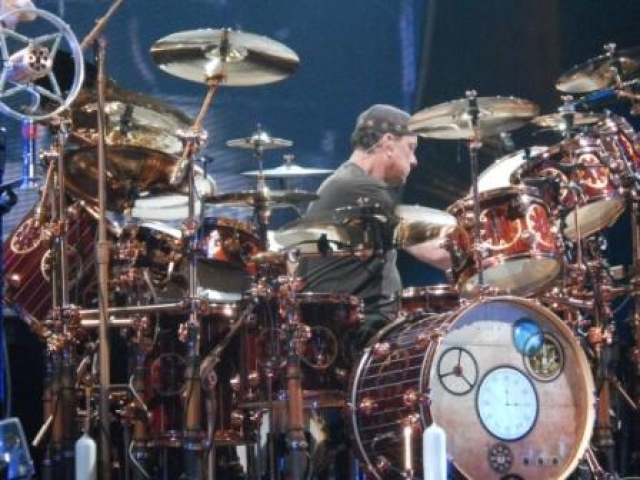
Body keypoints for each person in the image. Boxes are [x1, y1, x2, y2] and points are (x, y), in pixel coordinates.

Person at [298, 103, 451, 344]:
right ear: (388, 143)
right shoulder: (360, 189)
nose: (414, 161)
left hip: (345, 333)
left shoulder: (342, 183)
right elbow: (438, 253)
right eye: (410, 148)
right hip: (359, 338)